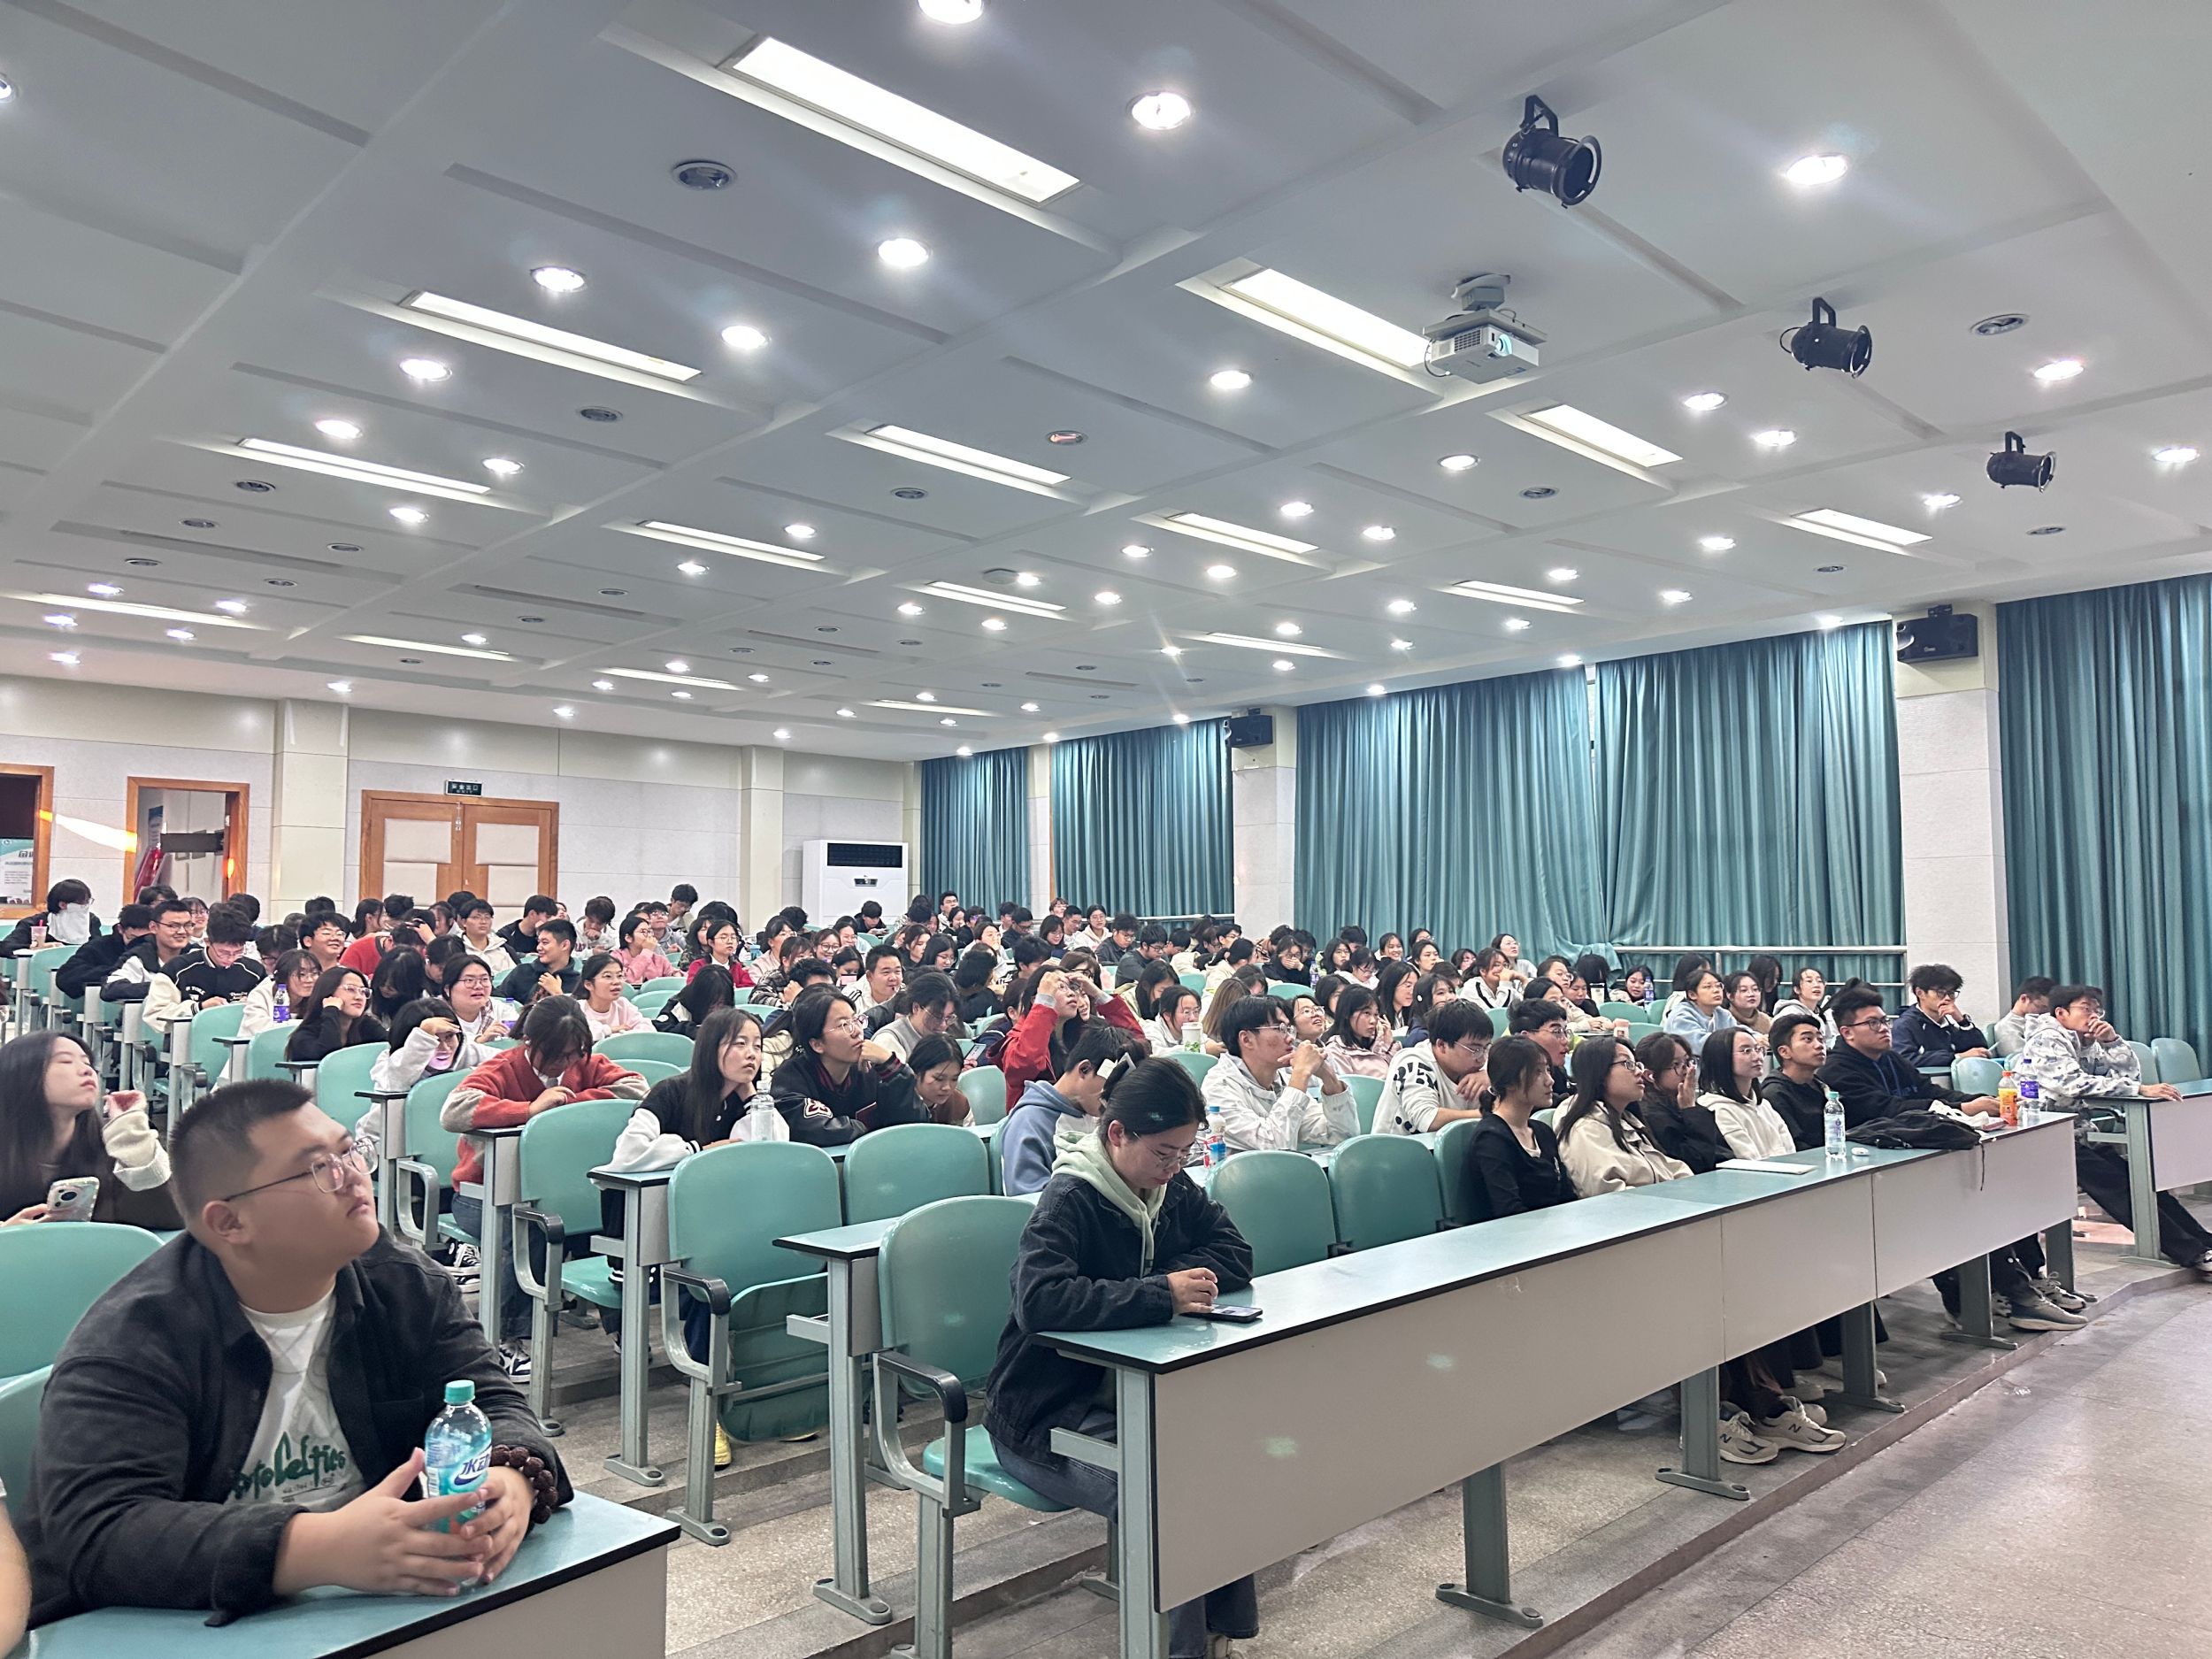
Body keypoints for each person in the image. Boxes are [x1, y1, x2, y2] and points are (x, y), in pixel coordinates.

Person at [19, 1077, 568, 1626]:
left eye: (349, 1150)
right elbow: (99, 1532)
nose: (353, 1175)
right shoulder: (134, 1341)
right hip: (186, 1626)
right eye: (317, 1168)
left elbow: (495, 1402)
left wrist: (513, 1480)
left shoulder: (404, 1285)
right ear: (229, 1221)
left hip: (373, 1610)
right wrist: (316, 1547)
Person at [984, 1057, 1257, 1659]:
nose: (1175, 1166)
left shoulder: (1169, 1187)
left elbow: (1236, 1252)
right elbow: (1039, 1300)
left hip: (1136, 1397)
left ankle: (1218, 1633)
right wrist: (1159, 1293)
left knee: (1225, 1464)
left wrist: (1166, 1279)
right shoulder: (1070, 1198)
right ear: (1117, 1134)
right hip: (1045, 1412)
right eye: (1163, 1152)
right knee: (1168, 1495)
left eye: (1184, 1152)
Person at [1820, 986, 2083, 1331]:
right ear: (1847, 1033)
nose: (1884, 1028)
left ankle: (2027, 1281)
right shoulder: (1838, 1070)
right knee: (1963, 1206)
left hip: (1921, 1157)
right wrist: (1963, 1108)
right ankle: (1988, 1299)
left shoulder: (1890, 1059)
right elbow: (1887, 1108)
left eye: (1885, 1021)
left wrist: (1977, 1100)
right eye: (1873, 1023)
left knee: (1997, 1193)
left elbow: (1930, 1092)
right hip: (1878, 1174)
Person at [441, 1000, 647, 1371]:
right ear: (530, 1042)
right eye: (557, 1055)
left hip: (563, 1193)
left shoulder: (585, 1063)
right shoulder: (502, 1068)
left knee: (607, 1221)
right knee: (527, 1227)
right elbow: (453, 1111)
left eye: (574, 1054)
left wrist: (571, 1104)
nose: (565, 1063)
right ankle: (506, 1338)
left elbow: (637, 1089)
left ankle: (621, 1328)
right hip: (482, 1195)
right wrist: (530, 1110)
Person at [2016, 984, 2212, 1276]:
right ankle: (2191, 1252)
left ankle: (2203, 1241)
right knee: (2116, 1188)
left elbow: (2128, 1077)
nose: (2094, 1015)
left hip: (2078, 1131)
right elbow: (2070, 1083)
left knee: (2141, 1183)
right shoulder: (2046, 1039)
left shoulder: (2086, 1041)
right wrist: (2138, 1089)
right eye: (2085, 1008)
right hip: (2045, 1134)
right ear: (2061, 1013)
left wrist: (2112, 1042)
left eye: (2097, 1010)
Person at [0, 1032, 175, 1228]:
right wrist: (6, 1234)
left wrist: (131, 1133)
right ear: (20, 1074)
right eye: (66, 1061)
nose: (87, 1071)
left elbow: (171, 1218)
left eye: (88, 1063)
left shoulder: (112, 1145)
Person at [611, 1008, 773, 1168]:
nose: (752, 1054)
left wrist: (752, 1097)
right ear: (711, 1048)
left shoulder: (743, 1101)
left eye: (757, 1046)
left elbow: (773, 1152)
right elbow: (628, 1153)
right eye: (740, 1043)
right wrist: (699, 1151)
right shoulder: (669, 1092)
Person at [768, 988, 929, 1146]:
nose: (857, 1031)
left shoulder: (872, 1070)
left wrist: (893, 1067)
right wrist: (871, 1130)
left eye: (856, 1020)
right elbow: (816, 1130)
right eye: (844, 1025)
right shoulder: (791, 1078)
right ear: (817, 1044)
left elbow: (915, 1124)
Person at [1202, 995, 1358, 1152]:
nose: (1290, 1038)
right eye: (1280, 1029)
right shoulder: (1218, 1087)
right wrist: (1301, 1073)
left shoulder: (1282, 1080)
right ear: (1247, 1039)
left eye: (1289, 1029)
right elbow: (1275, 1147)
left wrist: (1328, 1076)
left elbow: (1342, 1135)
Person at [1001, 1023, 1130, 1195]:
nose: (1114, 1099)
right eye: (1111, 1088)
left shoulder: (1094, 1113)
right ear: (1084, 1069)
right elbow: (1028, 1197)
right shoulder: (1028, 1123)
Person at [1555, 1035, 1694, 1194]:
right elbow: (1609, 1195)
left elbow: (1673, 1168)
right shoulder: (1585, 1129)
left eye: (1637, 1064)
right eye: (1627, 1064)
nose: (1639, 1072)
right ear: (1599, 1071)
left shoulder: (1628, 1121)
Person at [1463, 1035, 1574, 1222]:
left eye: (1548, 1070)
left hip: (1555, 1229)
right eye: (1537, 1072)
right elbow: (1509, 1212)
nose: (1550, 1081)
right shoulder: (1491, 1139)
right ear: (1510, 1082)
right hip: (1517, 1235)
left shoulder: (1542, 1132)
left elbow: (1567, 1196)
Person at [1371, 996, 1490, 1136]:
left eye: (1486, 1048)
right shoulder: (1412, 1063)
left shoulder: (1474, 1068)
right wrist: (1487, 1115)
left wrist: (1490, 1076)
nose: (1482, 1058)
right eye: (1475, 1050)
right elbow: (1427, 1119)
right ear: (1442, 1045)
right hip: (1393, 1148)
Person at [142, 904, 267, 1033]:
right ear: (207, 942)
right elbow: (154, 1015)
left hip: (238, 1039)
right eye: (223, 952)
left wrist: (251, 1005)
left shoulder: (254, 971)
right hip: (186, 1040)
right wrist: (199, 1008)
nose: (231, 959)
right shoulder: (177, 969)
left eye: (238, 952)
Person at [1636, 1030, 1732, 1174]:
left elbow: (1722, 1152)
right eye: (1676, 1064)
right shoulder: (1652, 1115)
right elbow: (1697, 1164)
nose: (1687, 1071)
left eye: (1687, 1062)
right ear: (1650, 1075)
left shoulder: (1682, 1101)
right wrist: (1690, 1110)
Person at [1698, 1027, 1796, 1160]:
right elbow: (1747, 1158)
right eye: (1746, 1051)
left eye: (1758, 1049)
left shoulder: (1764, 1105)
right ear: (1721, 1058)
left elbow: (1790, 1151)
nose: (1757, 1057)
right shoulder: (1716, 1109)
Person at [369, 998, 488, 1096]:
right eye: (434, 1040)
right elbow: (396, 1084)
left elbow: (498, 1061)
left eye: (449, 1036)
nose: (445, 1048)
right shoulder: (390, 1064)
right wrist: (424, 1034)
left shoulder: (468, 1051)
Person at [99, 896, 199, 1004]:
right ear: (153, 927)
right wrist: (162, 987)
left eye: (188, 925)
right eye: (173, 926)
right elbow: (110, 989)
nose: (182, 931)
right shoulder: (139, 958)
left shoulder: (199, 956)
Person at [1889, 964, 1991, 1068]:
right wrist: (1956, 1057)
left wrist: (1962, 1021)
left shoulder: (1948, 1024)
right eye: (1940, 992)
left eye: (1951, 993)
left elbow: (1980, 1050)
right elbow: (1905, 1060)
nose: (1947, 998)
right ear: (1920, 993)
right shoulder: (1904, 1025)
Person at [1760, 1013, 1832, 1150]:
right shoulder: (1774, 1094)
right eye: (1808, 1039)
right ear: (1784, 1052)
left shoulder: (1820, 1085)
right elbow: (1794, 1146)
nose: (1819, 1045)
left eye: (1820, 1039)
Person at [284, 968, 386, 1064]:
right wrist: (331, 1010)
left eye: (363, 991)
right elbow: (330, 1059)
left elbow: (391, 1048)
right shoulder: (305, 1035)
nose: (359, 997)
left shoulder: (367, 1025)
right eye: (351, 989)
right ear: (329, 992)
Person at [237, 948, 323, 1039]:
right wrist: (307, 1025)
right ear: (284, 976)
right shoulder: (260, 994)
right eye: (302, 974)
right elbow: (260, 1028)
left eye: (314, 973)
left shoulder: (320, 996)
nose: (309, 980)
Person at [874, 972, 957, 1063]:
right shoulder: (889, 1040)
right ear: (916, 1008)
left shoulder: (941, 1038)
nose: (943, 1025)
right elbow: (896, 1072)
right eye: (937, 1016)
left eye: (949, 1017)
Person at [0, 879, 98, 955]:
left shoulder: (92, 921)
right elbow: (5, 947)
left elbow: (99, 949)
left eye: (88, 902)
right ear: (63, 905)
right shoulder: (34, 923)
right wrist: (35, 947)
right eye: (82, 903)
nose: (86, 906)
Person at [1507, 997, 1574, 1103]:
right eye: (1557, 1032)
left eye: (1565, 1031)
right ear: (1525, 1037)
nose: (1565, 1040)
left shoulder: (1557, 1071)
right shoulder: (1511, 1076)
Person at [1321, 983, 1396, 1078]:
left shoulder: (1377, 1044)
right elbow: (1347, 1085)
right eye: (1367, 1013)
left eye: (1376, 1014)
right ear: (1347, 1013)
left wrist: (1389, 1045)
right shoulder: (1336, 1051)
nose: (1373, 1021)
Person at [498, 918, 580, 1006]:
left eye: (545, 943)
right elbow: (499, 1000)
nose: (538, 948)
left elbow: (577, 1013)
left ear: (564, 945)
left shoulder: (578, 983)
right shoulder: (522, 972)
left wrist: (558, 994)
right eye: (538, 942)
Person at [576, 952, 648, 1041]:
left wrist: (618, 1035)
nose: (616, 982)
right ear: (589, 985)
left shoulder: (623, 1004)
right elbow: (579, 1035)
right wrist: (609, 1030)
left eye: (620, 976)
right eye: (608, 976)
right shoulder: (577, 1008)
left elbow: (647, 1028)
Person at [906, 1033, 971, 1127]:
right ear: (916, 1072)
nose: (947, 1087)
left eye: (954, 1079)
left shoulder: (959, 1104)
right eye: (939, 1079)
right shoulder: (897, 1104)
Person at [1662, 966, 1738, 1046]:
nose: (1716, 990)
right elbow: (1699, 1045)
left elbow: (1738, 1033)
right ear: (1692, 995)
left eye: (1718, 986)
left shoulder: (1723, 1014)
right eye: (1708, 987)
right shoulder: (1681, 1016)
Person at [655, 964, 735, 1037]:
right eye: (712, 1004)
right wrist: (694, 1030)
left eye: (721, 1004)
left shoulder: (729, 1010)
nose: (716, 1010)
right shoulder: (679, 1005)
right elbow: (660, 1027)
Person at [1991, 976, 2056, 1057]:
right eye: (2041, 1007)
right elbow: (2017, 1057)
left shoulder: (2046, 1022)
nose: (2045, 1012)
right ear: (2023, 999)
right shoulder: (2007, 1027)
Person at [685, 916, 755, 989]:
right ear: (711, 942)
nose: (730, 941)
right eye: (723, 937)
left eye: (733, 937)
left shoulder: (736, 966)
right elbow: (693, 989)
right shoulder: (698, 965)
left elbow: (750, 987)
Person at [1770, 965, 1836, 1042]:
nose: (1816, 985)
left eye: (1820, 981)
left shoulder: (1823, 1014)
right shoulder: (1790, 1013)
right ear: (1797, 989)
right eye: (1809, 981)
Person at [611, 911, 674, 987]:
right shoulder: (615, 958)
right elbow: (628, 980)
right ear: (628, 938)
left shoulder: (658, 959)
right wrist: (646, 952)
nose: (649, 936)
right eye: (643, 931)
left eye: (649, 931)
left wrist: (676, 974)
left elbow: (672, 976)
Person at [455, 899, 516, 977]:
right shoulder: (456, 947)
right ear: (464, 922)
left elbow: (516, 976)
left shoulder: (501, 947)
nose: (483, 922)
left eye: (487, 917)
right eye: (476, 917)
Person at [843, 944, 904, 1018]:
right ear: (869, 976)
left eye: (897, 971)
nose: (893, 978)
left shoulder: (905, 993)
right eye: (886, 972)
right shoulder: (851, 999)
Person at [1141, 984, 1201, 1054]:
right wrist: (1199, 1049)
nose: (1193, 1018)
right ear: (1167, 1015)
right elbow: (1156, 1054)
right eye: (1186, 1012)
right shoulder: (1151, 1030)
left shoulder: (1196, 1030)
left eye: (1196, 1011)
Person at [495, 895, 557, 960]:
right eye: (547, 917)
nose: (550, 921)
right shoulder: (505, 935)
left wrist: (541, 934)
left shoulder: (546, 934)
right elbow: (499, 955)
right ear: (532, 914)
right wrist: (524, 956)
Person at [1463, 947, 1521, 1012]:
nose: (1503, 969)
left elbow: (1523, 1004)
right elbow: (1496, 1013)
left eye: (1505, 965)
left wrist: (1524, 980)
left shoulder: (1510, 983)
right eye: (1497, 965)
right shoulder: (1473, 986)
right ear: (1483, 971)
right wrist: (1504, 982)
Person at [1722, 971, 1772, 1040]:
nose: (1751, 994)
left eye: (1755, 989)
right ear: (1730, 995)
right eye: (1744, 990)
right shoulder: (1724, 1020)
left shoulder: (1765, 1020)